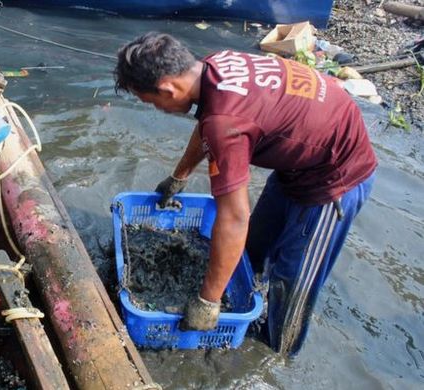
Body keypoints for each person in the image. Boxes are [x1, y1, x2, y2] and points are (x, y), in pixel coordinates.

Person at [114, 32, 377, 356]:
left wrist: (207, 302)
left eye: (153, 102)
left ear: (168, 89)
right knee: (253, 253)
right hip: (298, 159)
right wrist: (179, 176)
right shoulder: (214, 65)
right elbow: (207, 126)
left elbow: (235, 217)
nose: (157, 109)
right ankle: (247, 304)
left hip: (332, 182)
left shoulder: (226, 123)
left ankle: (276, 354)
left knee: (291, 282)